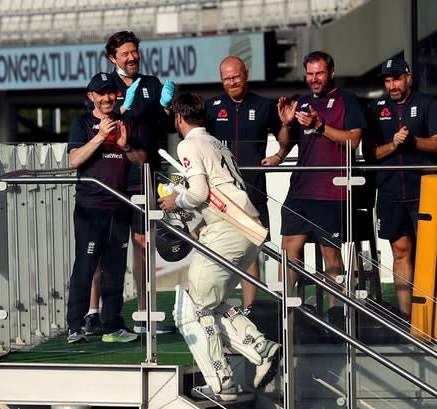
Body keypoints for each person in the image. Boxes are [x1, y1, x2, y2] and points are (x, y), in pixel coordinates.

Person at [159, 93, 281, 402]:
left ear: (179, 118)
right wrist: (196, 217)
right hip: (248, 227)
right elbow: (216, 189)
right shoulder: (217, 143)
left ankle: (222, 382)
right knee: (211, 304)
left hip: (227, 229)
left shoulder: (188, 144)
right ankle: (259, 346)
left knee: (190, 311)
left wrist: (177, 201)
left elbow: (198, 193)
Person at [275, 51, 365, 300]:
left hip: (333, 191)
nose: (314, 79)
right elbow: (285, 145)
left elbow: (354, 141)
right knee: (288, 252)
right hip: (300, 191)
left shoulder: (347, 100)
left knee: (331, 255)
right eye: (310, 74)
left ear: (332, 73)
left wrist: (319, 126)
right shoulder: (302, 102)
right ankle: (287, 315)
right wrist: (285, 124)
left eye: (320, 73)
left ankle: (336, 315)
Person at [66, 72, 146, 344]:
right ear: (92, 98)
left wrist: (125, 146)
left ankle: (112, 325)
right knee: (86, 267)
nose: (108, 97)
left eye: (111, 92)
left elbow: (141, 160)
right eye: (102, 93)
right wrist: (100, 136)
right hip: (90, 208)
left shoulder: (125, 123)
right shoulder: (82, 123)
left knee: (115, 269)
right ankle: (75, 326)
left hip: (120, 206)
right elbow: (75, 160)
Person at [105, 30, 176, 334]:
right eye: (125, 53)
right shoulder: (104, 86)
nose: (132, 57)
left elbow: (167, 128)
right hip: (112, 173)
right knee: (109, 245)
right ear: (113, 58)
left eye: (135, 51)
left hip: (146, 172)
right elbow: (98, 124)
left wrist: (166, 108)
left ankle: (147, 314)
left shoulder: (151, 83)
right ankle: (98, 316)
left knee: (144, 243)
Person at [363, 57, 437, 317]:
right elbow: (370, 153)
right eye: (388, 81)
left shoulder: (426, 103)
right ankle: (406, 317)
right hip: (389, 192)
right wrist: (395, 145)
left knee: (428, 253)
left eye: (396, 79)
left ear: (408, 77)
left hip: (424, 190)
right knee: (400, 252)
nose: (392, 85)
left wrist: (412, 141)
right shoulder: (375, 109)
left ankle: (431, 318)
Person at [204, 55, 282, 310]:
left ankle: (251, 310)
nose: (232, 82)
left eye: (236, 76)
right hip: (219, 193)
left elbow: (284, 133)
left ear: (246, 74)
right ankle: (217, 307)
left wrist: (279, 155)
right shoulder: (211, 106)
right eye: (227, 78)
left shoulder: (264, 105)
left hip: (253, 189)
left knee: (249, 252)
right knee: (217, 251)